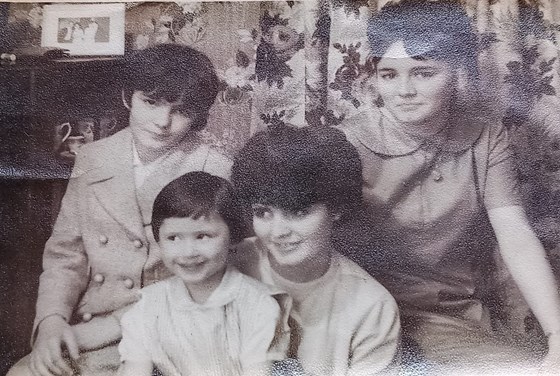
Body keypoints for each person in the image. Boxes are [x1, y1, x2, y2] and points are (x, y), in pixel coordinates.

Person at [338, 0, 560, 373]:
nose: (403, 90)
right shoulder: (346, 143)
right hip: (374, 309)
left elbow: (515, 235)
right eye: (389, 74)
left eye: (423, 73)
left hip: (459, 306)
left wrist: (558, 335)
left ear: (458, 71)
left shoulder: (485, 137)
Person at [8, 44, 230, 376]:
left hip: (171, 329)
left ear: (197, 115)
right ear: (128, 96)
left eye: (180, 110)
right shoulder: (92, 158)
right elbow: (66, 256)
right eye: (150, 102)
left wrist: (113, 327)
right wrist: (51, 322)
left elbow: (218, 277)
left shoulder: (214, 168)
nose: (162, 122)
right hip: (88, 323)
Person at [230, 124, 400, 376]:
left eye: (298, 212)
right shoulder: (226, 265)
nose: (278, 232)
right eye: (263, 212)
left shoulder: (373, 307)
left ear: (336, 208)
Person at [118, 171, 289, 376]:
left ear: (233, 237)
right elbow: (136, 370)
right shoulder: (149, 306)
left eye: (202, 236)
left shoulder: (257, 305)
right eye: (173, 238)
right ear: (159, 241)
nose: (188, 252)